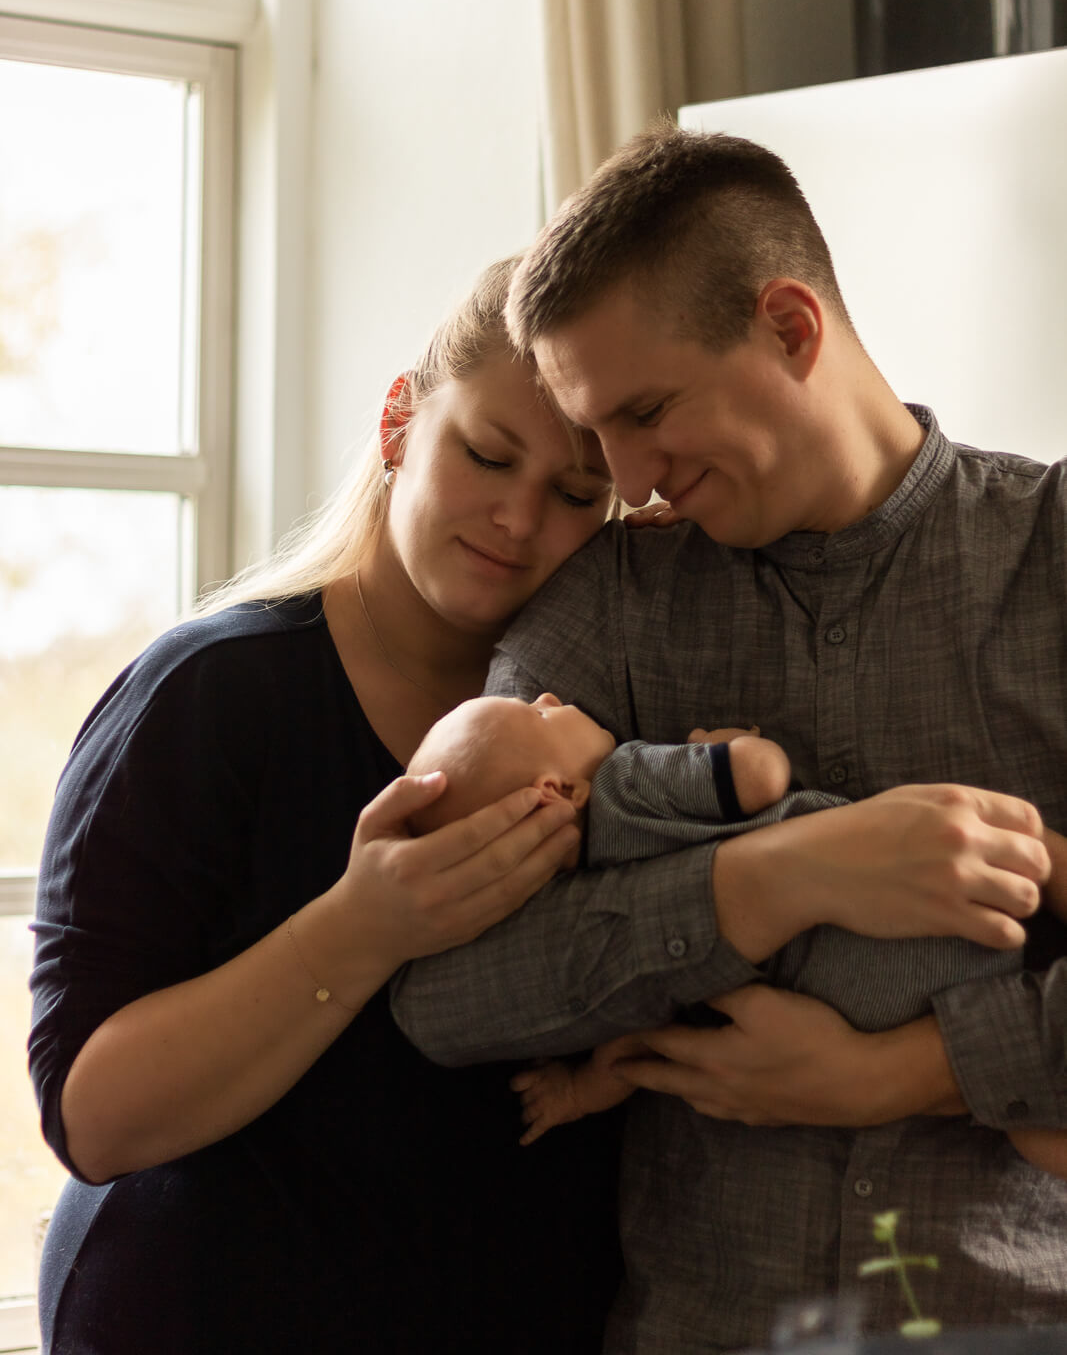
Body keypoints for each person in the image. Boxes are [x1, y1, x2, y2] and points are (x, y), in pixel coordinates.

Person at [390, 127, 1067, 1352]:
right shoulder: (606, 605)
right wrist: (766, 879)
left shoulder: (1053, 557)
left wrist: (920, 1066)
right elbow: (446, 991)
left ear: (791, 330)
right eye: (601, 439)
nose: (632, 483)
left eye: (646, 414)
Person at [29, 258, 630, 1355]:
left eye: (575, 493)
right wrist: (362, 927)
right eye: (487, 454)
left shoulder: (608, 723)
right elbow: (92, 1114)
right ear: (402, 420)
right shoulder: (208, 692)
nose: (515, 515)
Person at [403, 694, 1067, 1177]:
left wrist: (575, 1092)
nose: (549, 696)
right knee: (1034, 848)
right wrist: (719, 748)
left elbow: (635, 1049)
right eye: (537, 715)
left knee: (1033, 1139)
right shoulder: (625, 783)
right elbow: (760, 777)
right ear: (557, 790)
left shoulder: (556, 905)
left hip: (849, 1007)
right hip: (941, 909)